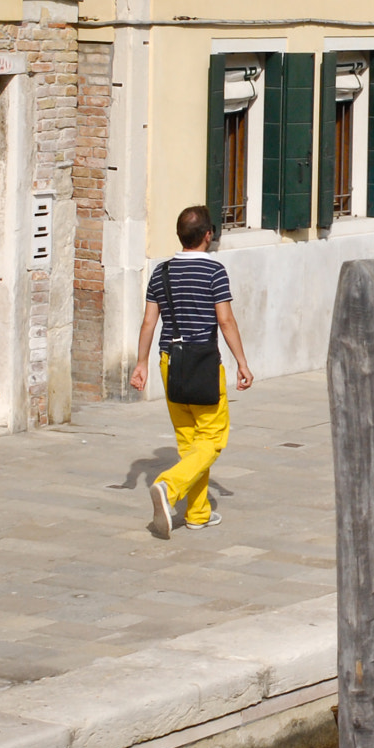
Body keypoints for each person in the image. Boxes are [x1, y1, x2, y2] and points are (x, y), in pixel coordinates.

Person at [130, 205, 254, 538]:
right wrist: (242, 362)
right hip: (203, 364)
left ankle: (198, 513)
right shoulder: (214, 272)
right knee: (212, 439)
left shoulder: (161, 272)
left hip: (170, 362)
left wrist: (141, 363)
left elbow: (148, 322)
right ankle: (169, 487)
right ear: (208, 235)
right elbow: (225, 321)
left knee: (189, 443)